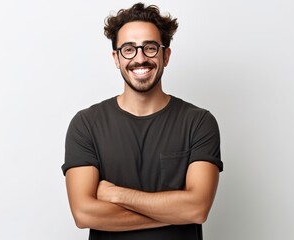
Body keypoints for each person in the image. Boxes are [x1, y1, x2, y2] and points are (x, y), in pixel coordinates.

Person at [62, 3, 223, 240]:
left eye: (150, 48)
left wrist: (118, 195)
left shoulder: (198, 122)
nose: (140, 58)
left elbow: (197, 208)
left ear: (165, 55)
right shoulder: (86, 124)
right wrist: (174, 211)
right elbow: (84, 214)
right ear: (116, 58)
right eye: (128, 49)